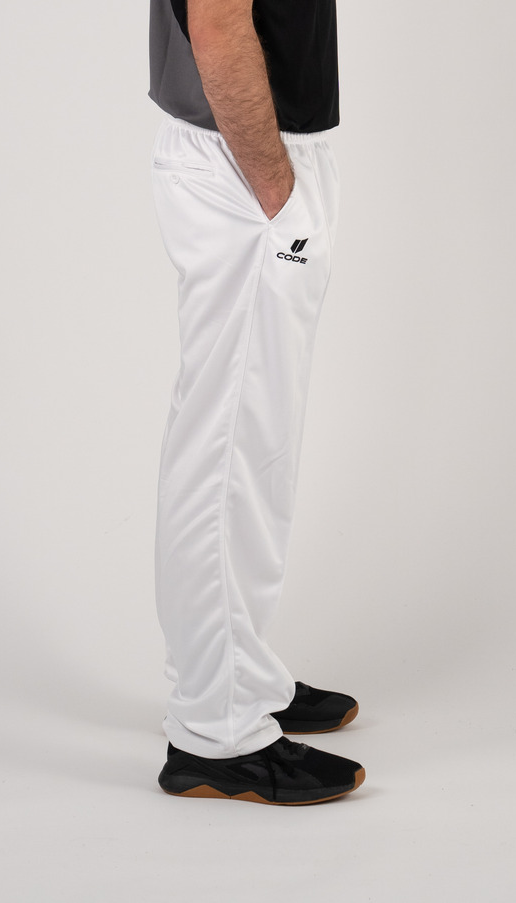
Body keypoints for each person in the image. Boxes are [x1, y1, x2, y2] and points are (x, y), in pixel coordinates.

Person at [148, 0, 365, 805]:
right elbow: (216, 20)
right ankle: (216, 730)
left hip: (252, 152)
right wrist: (275, 185)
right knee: (227, 455)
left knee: (250, 442)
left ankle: (237, 673)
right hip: (244, 162)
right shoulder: (257, 174)